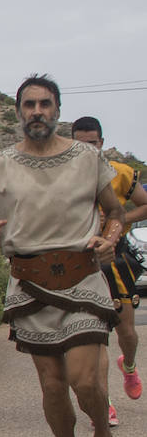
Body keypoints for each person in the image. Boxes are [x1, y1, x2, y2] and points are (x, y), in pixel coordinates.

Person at [0, 76, 124, 437]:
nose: (37, 111)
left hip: (82, 277)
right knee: (54, 386)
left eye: (44, 104)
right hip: (30, 284)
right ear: (19, 111)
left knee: (86, 381)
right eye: (29, 105)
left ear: (57, 109)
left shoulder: (88, 159)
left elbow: (114, 213)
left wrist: (110, 238)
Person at [70, 116, 147, 421]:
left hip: (115, 258)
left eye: (92, 143)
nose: (86, 149)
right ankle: (105, 402)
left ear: (100, 143)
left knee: (126, 331)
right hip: (78, 259)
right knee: (93, 334)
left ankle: (128, 366)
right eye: (80, 144)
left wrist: (117, 220)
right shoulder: (62, 176)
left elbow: (144, 204)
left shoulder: (121, 172)